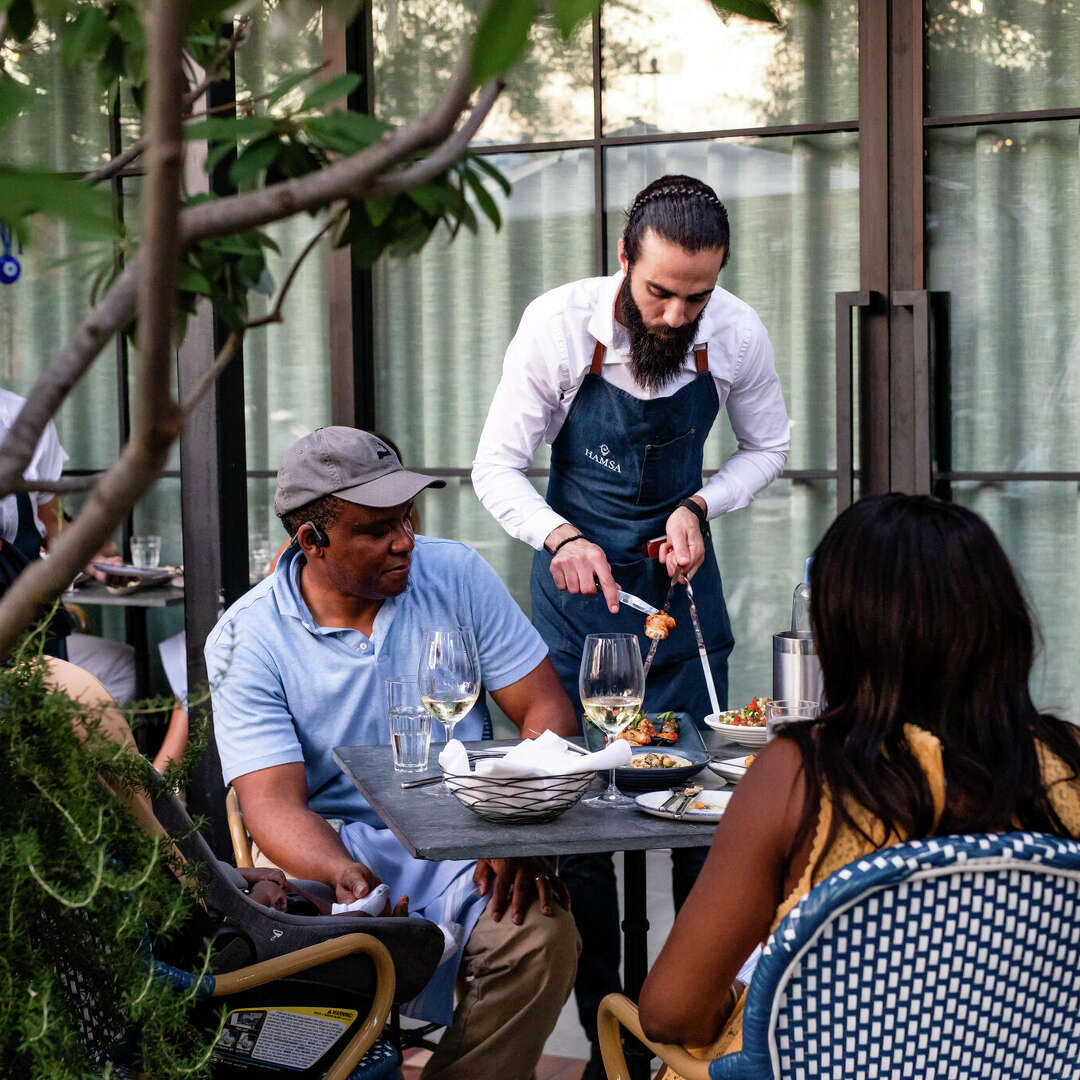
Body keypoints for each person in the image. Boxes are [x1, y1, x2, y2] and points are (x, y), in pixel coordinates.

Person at [471, 174, 790, 1067]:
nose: (678, 313)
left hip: (680, 592)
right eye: (659, 291)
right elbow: (495, 467)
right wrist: (558, 532)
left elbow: (769, 447)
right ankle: (612, 1054)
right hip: (578, 600)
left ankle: (690, 1045)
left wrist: (699, 503)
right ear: (623, 259)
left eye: (697, 295)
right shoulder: (556, 327)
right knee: (582, 834)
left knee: (707, 821)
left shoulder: (734, 333)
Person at [636, 494, 1080, 1065]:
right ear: (1002, 622)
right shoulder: (1067, 760)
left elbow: (671, 1012)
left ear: (843, 632)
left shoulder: (801, 776)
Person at [205, 427, 581, 1080]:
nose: (404, 539)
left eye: (406, 518)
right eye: (377, 529)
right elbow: (270, 804)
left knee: (541, 936)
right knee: (320, 979)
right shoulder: (246, 636)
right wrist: (343, 872)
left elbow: (546, 711)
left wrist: (513, 825)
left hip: (471, 835)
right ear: (311, 542)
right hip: (332, 855)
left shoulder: (456, 573)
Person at [0, 388, 136, 699]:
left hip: (34, 617)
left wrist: (92, 562)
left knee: (47, 731)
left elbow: (53, 523)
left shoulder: (28, 418)